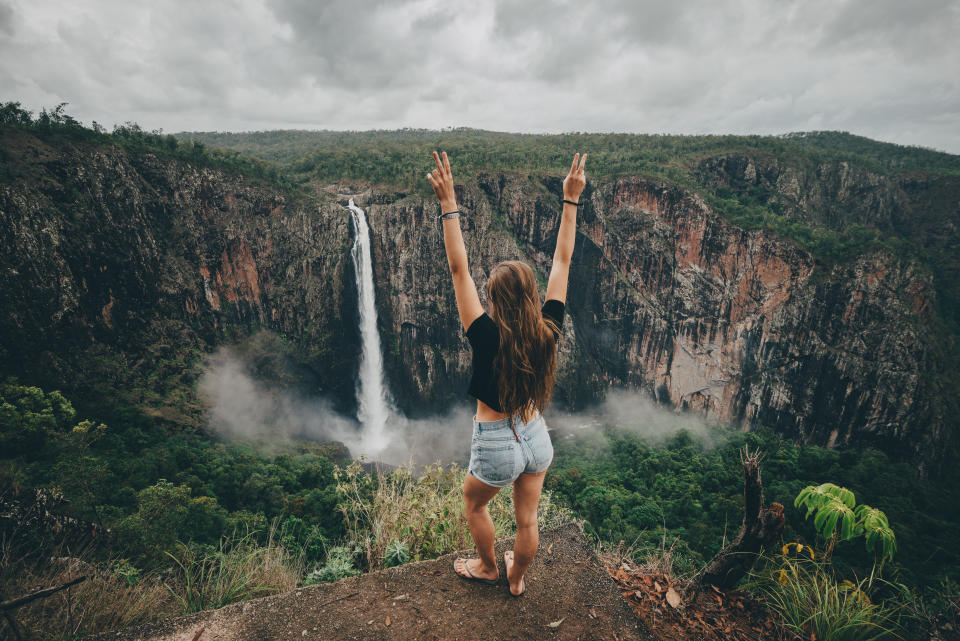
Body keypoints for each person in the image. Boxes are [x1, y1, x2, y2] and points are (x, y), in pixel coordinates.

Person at [426, 150, 587, 597]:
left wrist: (447, 204)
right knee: (528, 520)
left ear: (493, 301)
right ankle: (517, 580)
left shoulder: (483, 335)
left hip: (496, 441)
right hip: (535, 435)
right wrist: (570, 201)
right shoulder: (548, 330)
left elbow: (458, 268)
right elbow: (562, 262)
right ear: (532, 297)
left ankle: (486, 566)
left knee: (474, 504)